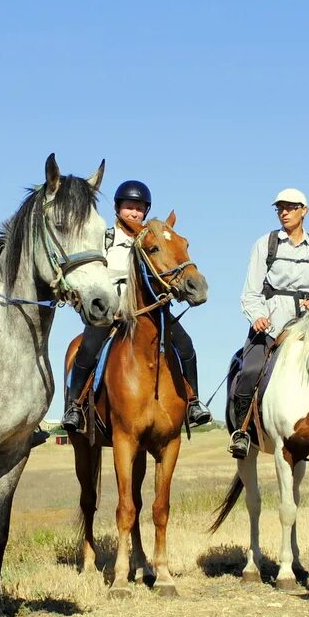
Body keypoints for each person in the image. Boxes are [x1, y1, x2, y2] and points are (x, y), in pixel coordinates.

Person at [60, 180, 210, 433]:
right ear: (118, 209)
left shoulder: (151, 240)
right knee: (87, 347)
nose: (134, 213)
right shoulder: (104, 238)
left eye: (140, 208)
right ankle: (74, 406)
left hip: (150, 311)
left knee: (185, 344)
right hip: (110, 312)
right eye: (129, 207)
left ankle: (194, 401)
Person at [227, 188, 309, 458]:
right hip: (271, 325)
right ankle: (242, 432)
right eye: (280, 208)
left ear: (304, 210)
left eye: (290, 207)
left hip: (308, 327)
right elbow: (250, 292)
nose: (284, 212)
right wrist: (257, 316)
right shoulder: (265, 244)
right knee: (251, 370)